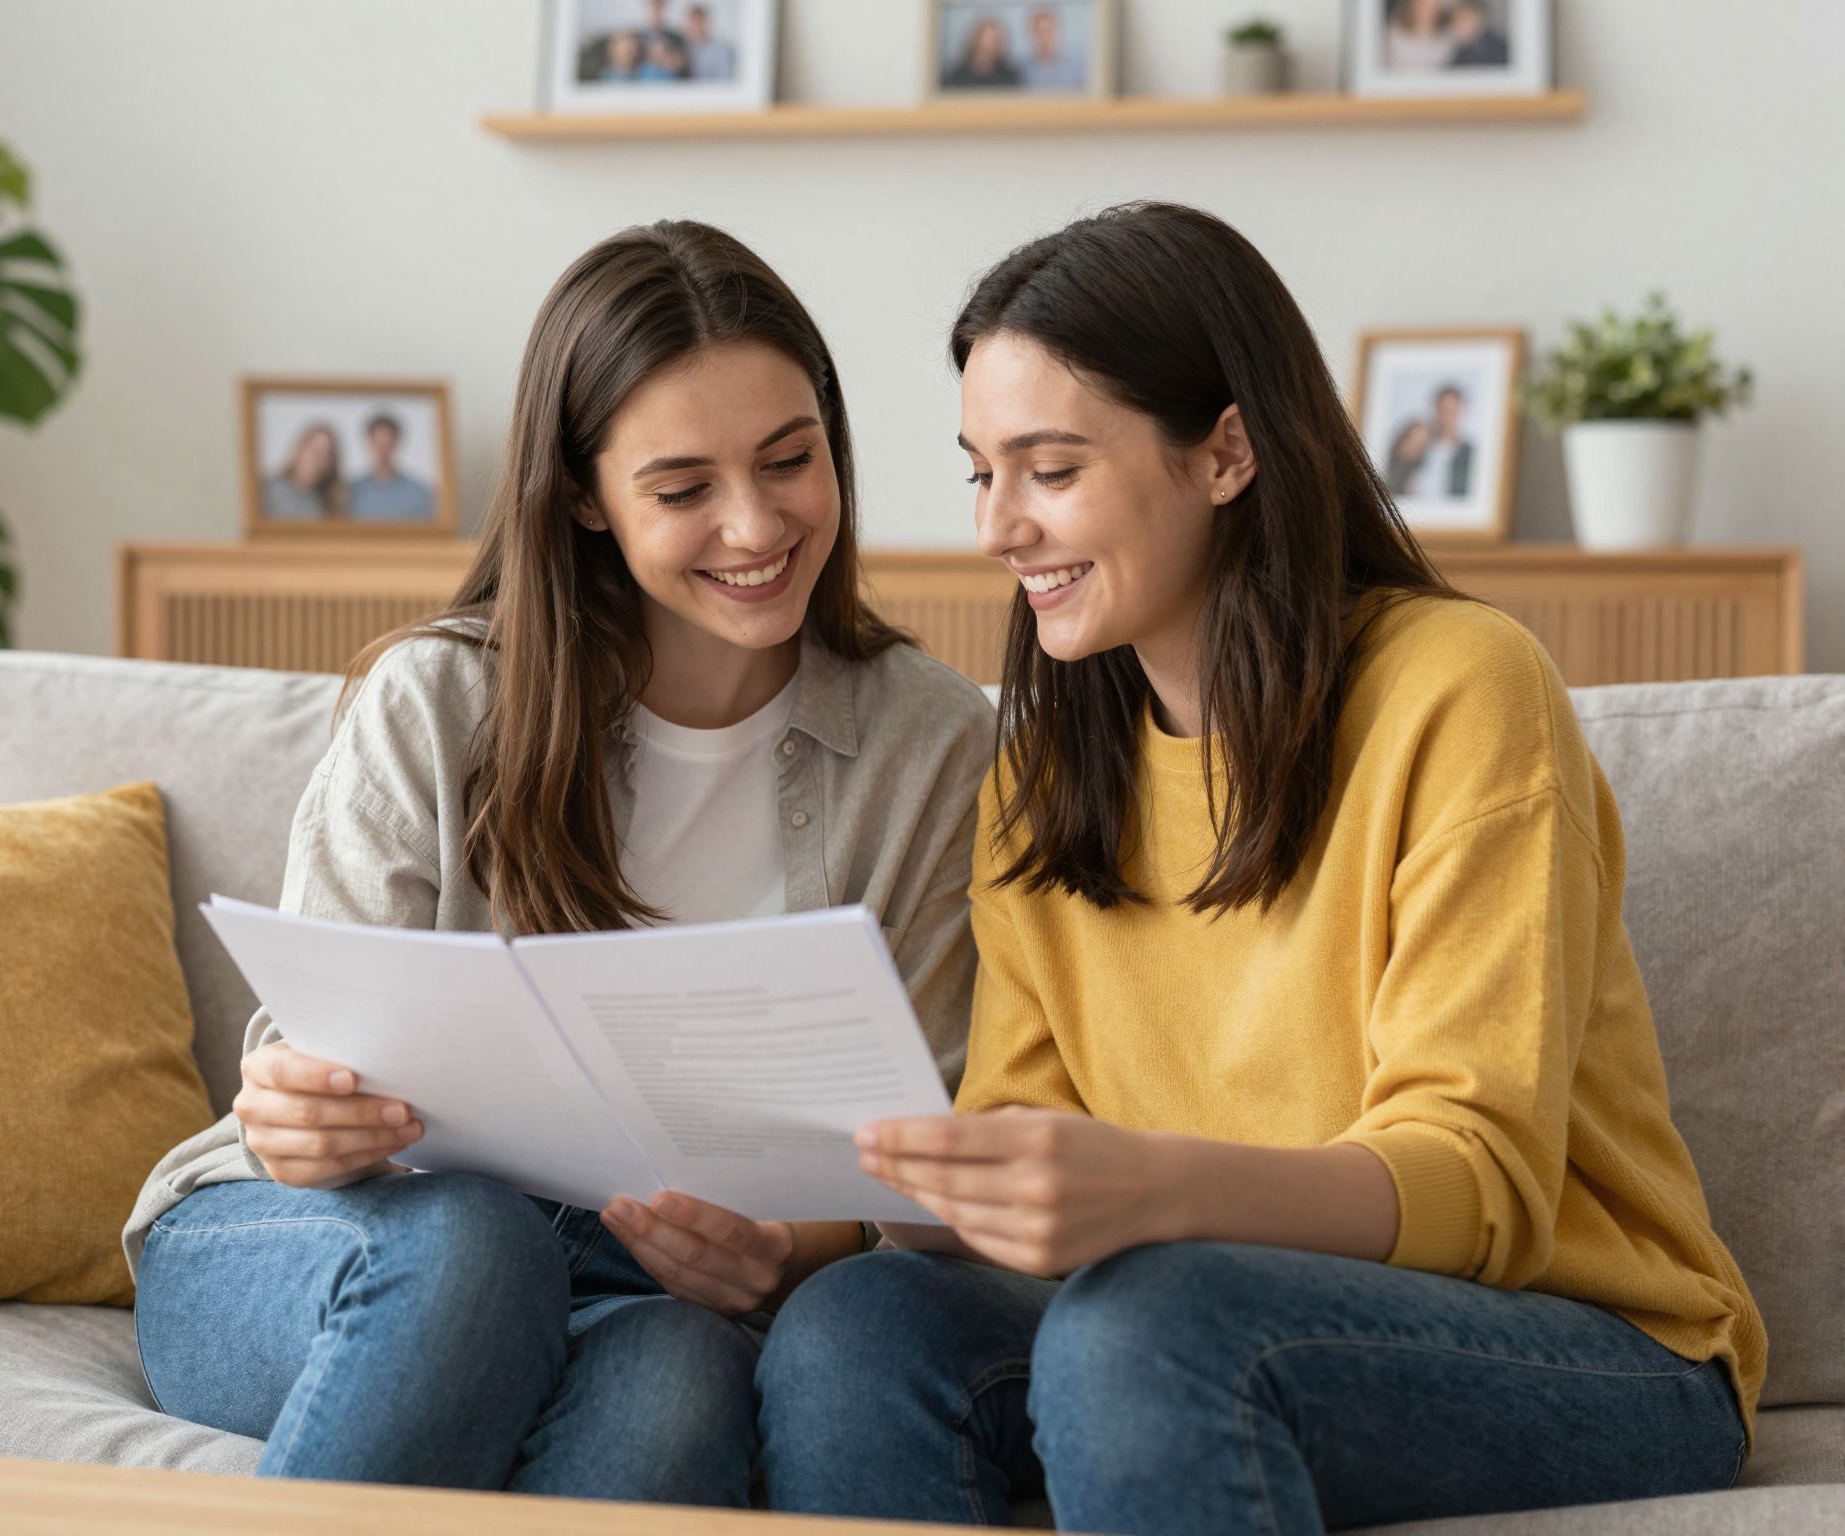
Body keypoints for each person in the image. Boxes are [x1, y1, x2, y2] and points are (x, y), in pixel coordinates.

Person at [756, 202, 1764, 1535]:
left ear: (1226, 451)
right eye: (978, 474)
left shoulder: (1458, 689)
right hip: (1196, 1313)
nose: (999, 529)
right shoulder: (1045, 781)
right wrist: (913, 1185)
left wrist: (1152, 1185)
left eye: (1049, 471)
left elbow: (1479, 1185)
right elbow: (1021, 1129)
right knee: (857, 1325)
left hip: (1589, 1342)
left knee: (1146, 1323)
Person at [126, 220, 994, 1505]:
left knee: (683, 1381)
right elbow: (298, 1065)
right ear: (584, 495)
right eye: (683, 487)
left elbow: (925, 1141)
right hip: (327, 1239)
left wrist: (787, 1251)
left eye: (788, 460)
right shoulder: (438, 698)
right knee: (477, 1248)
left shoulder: (930, 741)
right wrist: (299, 1110)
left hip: (648, 1289)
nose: (754, 524)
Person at [347, 414, 435, 522]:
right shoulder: (352, 492)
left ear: (396, 443)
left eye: (387, 444)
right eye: (378, 444)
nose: (382, 451)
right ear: (369, 443)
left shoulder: (420, 494)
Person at [261, 423, 343, 520]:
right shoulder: (268, 489)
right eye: (314, 450)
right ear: (300, 450)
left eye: (325, 454)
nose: (318, 459)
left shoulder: (329, 504)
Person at [1412, 383, 1474, 498]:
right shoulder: (1418, 448)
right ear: (1435, 410)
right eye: (1444, 411)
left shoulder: (1469, 454)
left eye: (1453, 413)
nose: (1447, 418)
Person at [942, 17, 1022, 90]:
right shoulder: (955, 75)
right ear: (974, 40)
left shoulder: (1010, 77)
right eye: (984, 38)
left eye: (994, 40)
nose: (988, 46)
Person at [1018, 7, 1085, 92]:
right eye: (1039, 31)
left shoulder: (1076, 71)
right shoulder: (1021, 71)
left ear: (1057, 32)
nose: (1045, 37)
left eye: (1049, 30)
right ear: (1031, 34)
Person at [1384, 0, 1454, 70]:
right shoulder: (1392, 36)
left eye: (1430, 7)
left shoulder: (1449, 38)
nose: (1425, 11)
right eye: (1421, 5)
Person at [1448, 0, 1511, 66]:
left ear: (1479, 19)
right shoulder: (1461, 50)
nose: (1458, 25)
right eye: (1455, 20)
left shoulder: (1499, 48)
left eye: (1463, 19)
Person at [684, 3, 736, 81]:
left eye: (700, 22)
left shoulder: (721, 50)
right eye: (693, 22)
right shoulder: (682, 48)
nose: (697, 27)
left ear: (707, 23)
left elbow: (725, 80)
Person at [1382, 416, 1430, 495]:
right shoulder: (1394, 471)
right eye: (1415, 440)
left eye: (1422, 442)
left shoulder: (1422, 473)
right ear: (1403, 441)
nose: (1419, 446)